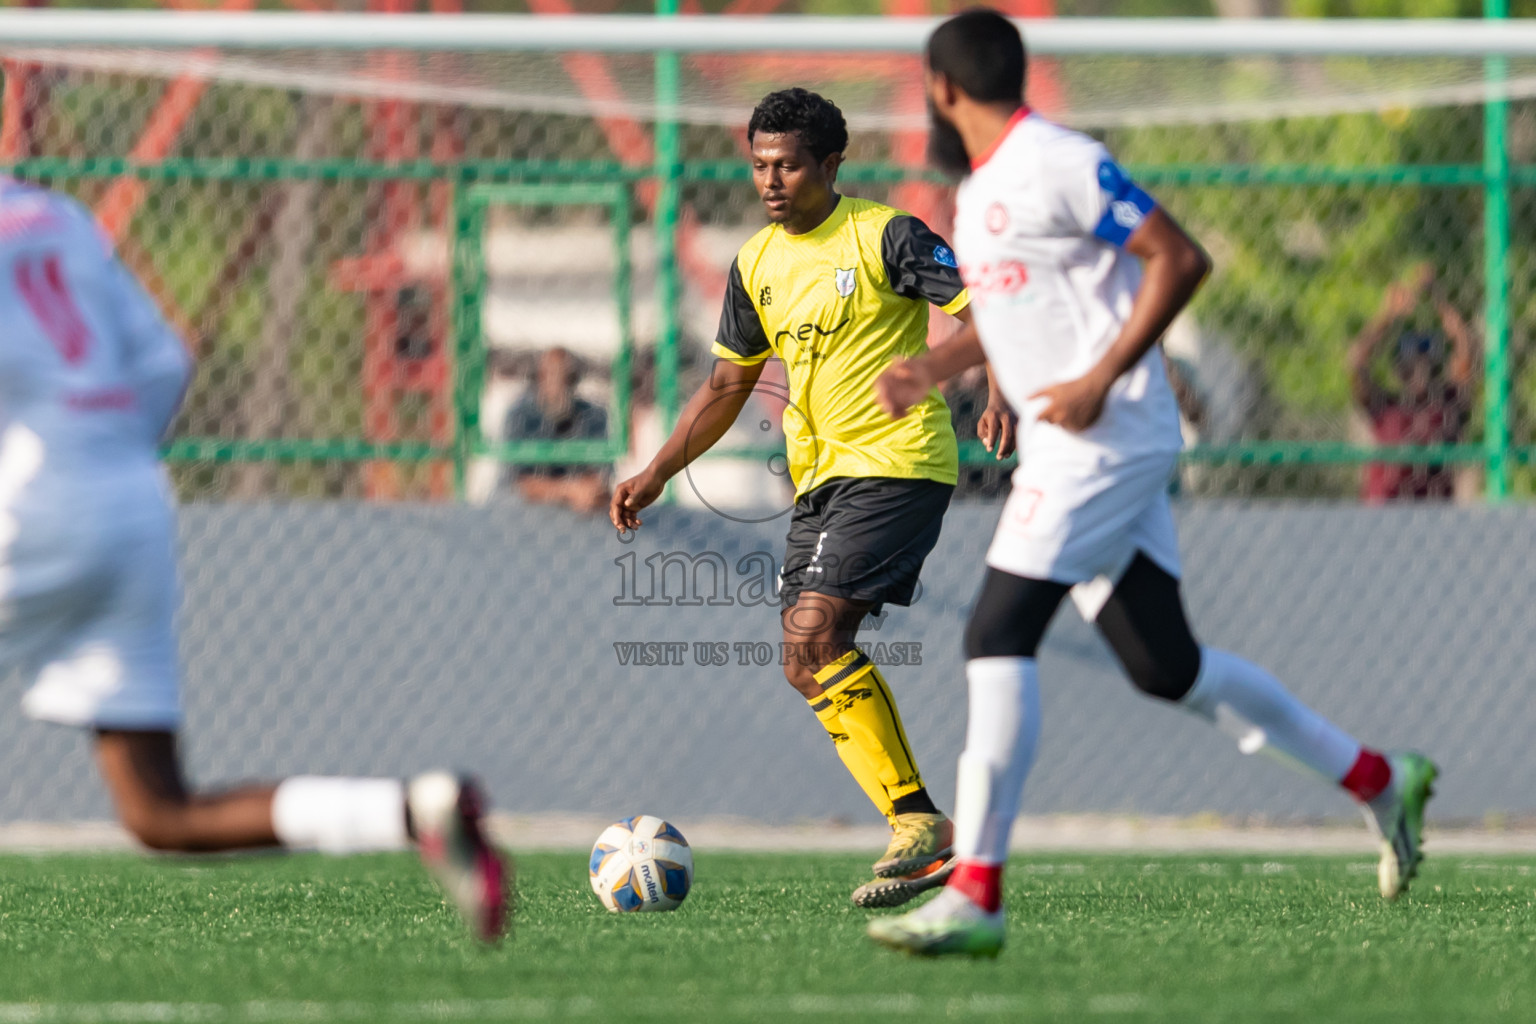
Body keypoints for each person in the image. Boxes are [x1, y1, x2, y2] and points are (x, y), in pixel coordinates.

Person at [865, 10, 1436, 956]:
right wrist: (942, 370)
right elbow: (1019, 315)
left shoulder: (1056, 158)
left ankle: (977, 892)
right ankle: (1380, 778)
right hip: (1066, 443)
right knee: (1166, 667)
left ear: (942, 87)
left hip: (1108, 440)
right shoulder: (976, 194)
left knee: (996, 629)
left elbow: (1179, 257)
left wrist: (1097, 377)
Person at [0, 179, 508, 942]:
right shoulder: (57, 216)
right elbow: (164, 364)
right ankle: (414, 810)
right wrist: (95, 458)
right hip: (128, 502)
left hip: (27, 501)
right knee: (159, 811)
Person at [609, 87, 1017, 909]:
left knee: (815, 628)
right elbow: (729, 383)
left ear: (830, 165)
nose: (771, 180)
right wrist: (654, 472)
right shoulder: (754, 263)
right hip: (821, 478)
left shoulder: (885, 235)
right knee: (804, 659)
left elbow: (984, 305)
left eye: (788, 164)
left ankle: (918, 825)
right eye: (760, 164)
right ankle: (921, 823)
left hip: (899, 461)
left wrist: (999, 389)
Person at [1348, 263, 1475, 503]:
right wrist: (1388, 316)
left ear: (1436, 367)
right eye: (1410, 365)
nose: (1418, 371)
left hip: (1432, 516)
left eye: (1426, 363)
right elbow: (1356, 362)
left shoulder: (1448, 402)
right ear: (1398, 371)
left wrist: (1438, 298)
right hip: (1385, 512)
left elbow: (1466, 350)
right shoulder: (1385, 406)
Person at [506, 346, 611, 515]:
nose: (558, 384)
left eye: (566, 378)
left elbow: (601, 475)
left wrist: (587, 490)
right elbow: (517, 481)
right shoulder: (521, 416)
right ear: (539, 377)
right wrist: (569, 490)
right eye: (550, 375)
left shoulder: (594, 416)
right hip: (525, 513)